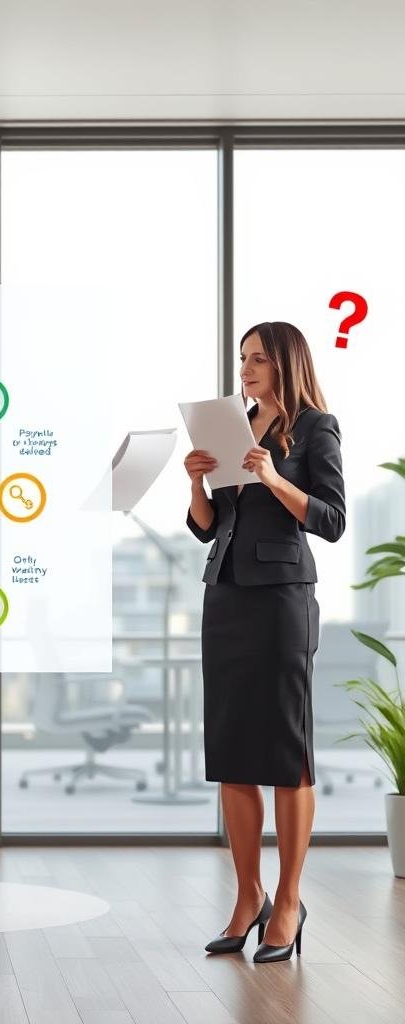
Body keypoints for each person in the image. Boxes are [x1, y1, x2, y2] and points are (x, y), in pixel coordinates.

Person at [184, 321, 345, 964]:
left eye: (257, 358)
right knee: (231, 753)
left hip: (281, 601)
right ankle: (246, 896)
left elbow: (331, 520)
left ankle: (287, 901)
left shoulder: (315, 427)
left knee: (285, 754)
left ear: (285, 362)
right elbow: (209, 528)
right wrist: (196, 484)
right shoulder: (234, 424)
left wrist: (274, 477)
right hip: (225, 597)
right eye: (241, 358)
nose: (246, 368)